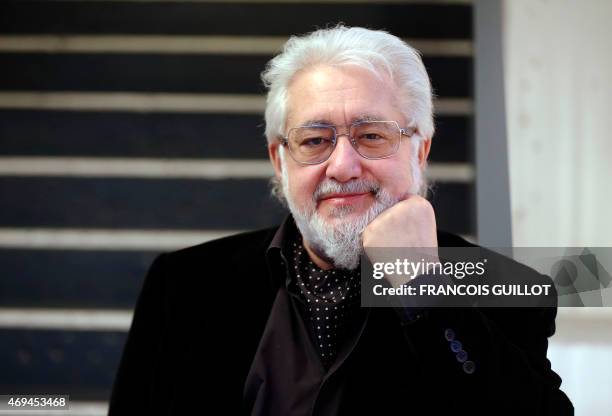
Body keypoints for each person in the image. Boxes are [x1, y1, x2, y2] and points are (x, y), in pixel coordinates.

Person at [109, 26, 573, 415]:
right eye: (315, 140)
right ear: (279, 159)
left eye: (372, 136)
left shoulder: (508, 287)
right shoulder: (183, 284)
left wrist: (424, 290)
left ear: (421, 150)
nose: (343, 166)